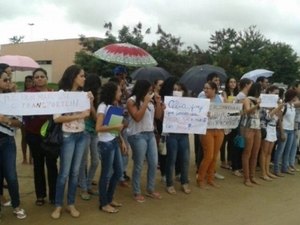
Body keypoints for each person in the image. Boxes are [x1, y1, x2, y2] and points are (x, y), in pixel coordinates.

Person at [51, 65, 93, 219]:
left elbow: (87, 115)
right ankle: (58, 205)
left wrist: (90, 102)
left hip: (81, 135)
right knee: (64, 173)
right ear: (73, 76)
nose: (84, 78)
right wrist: (78, 115)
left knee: (75, 173)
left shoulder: (83, 94)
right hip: (68, 136)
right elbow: (57, 118)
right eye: (82, 75)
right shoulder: (62, 94)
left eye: (84, 75)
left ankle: (70, 204)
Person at [23, 68, 58, 206]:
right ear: (33, 79)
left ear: (47, 78)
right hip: (33, 135)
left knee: (52, 165)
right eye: (36, 77)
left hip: (50, 137)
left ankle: (54, 196)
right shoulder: (27, 94)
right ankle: (40, 195)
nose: (39, 79)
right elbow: (23, 114)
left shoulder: (53, 94)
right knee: (38, 166)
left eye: (42, 76)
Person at [127, 80, 163, 202]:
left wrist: (158, 104)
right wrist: (145, 102)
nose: (151, 92)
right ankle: (136, 191)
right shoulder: (131, 101)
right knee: (139, 164)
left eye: (151, 90)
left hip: (150, 133)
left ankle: (150, 189)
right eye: (149, 90)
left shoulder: (150, 101)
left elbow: (157, 117)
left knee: (153, 162)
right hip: (137, 135)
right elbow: (137, 117)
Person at [95, 81, 126, 213]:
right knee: (106, 174)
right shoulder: (102, 107)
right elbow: (98, 128)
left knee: (118, 172)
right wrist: (116, 127)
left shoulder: (113, 106)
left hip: (113, 141)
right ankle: (104, 203)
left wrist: (122, 140)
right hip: (105, 144)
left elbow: (115, 128)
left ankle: (109, 198)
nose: (121, 93)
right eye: (119, 91)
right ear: (112, 93)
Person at [0, 69, 27, 219]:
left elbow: (20, 122)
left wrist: (5, 120)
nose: (9, 83)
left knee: (11, 175)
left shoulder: (12, 99)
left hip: (7, 142)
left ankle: (16, 205)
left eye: (9, 80)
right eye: (5, 80)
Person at [160, 77, 191, 194]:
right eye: (174, 90)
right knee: (171, 159)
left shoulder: (189, 103)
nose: (177, 92)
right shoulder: (167, 103)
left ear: (183, 91)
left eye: (179, 90)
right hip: (171, 134)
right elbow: (161, 118)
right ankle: (169, 183)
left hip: (183, 134)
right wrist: (163, 110)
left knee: (185, 159)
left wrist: (202, 114)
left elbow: (195, 116)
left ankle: (184, 182)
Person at [197, 81, 225, 189]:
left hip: (219, 129)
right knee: (208, 155)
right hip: (207, 130)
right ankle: (200, 179)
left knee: (214, 156)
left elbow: (226, 111)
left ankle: (210, 178)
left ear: (214, 89)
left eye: (207, 88)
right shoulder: (201, 99)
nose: (205, 90)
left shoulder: (221, 98)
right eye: (204, 88)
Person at [78, 74, 101, 200]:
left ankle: (87, 184)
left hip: (94, 132)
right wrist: (91, 105)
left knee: (96, 161)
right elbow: (95, 117)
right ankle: (83, 188)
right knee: (83, 161)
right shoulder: (84, 97)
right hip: (85, 131)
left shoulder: (96, 98)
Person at [259, 85, 284, 181]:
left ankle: (267, 171)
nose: (277, 95)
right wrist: (277, 109)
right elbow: (267, 117)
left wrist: (279, 108)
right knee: (264, 151)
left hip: (274, 128)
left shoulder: (277, 104)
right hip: (266, 128)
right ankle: (263, 173)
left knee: (269, 152)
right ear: (269, 92)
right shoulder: (264, 103)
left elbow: (279, 118)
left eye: (278, 93)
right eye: (275, 93)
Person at [240, 82, 262, 187]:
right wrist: (257, 105)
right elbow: (247, 111)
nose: (260, 92)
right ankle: (247, 178)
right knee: (247, 153)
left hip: (257, 127)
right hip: (248, 127)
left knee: (255, 153)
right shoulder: (247, 99)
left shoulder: (258, 99)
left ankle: (252, 176)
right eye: (259, 90)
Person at [273, 89, 298, 176]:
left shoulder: (292, 106)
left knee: (287, 150)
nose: (296, 97)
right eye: (295, 96)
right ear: (292, 96)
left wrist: (294, 129)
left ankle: (284, 167)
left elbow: (292, 119)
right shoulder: (284, 106)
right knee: (280, 150)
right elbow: (280, 119)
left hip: (291, 130)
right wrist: (282, 132)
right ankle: (276, 170)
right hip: (285, 130)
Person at [220, 77, 239, 170]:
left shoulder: (237, 93)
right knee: (224, 141)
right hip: (225, 119)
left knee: (231, 141)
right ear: (228, 83)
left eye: (234, 82)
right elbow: (226, 104)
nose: (233, 84)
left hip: (234, 118)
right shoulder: (224, 93)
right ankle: (223, 161)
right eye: (231, 82)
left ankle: (230, 160)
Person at [21, 75, 34, 164]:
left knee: (32, 139)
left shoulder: (36, 93)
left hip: (33, 118)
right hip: (24, 118)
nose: (28, 83)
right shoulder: (22, 93)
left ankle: (31, 158)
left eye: (30, 81)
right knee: (24, 138)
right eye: (27, 81)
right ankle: (24, 157)